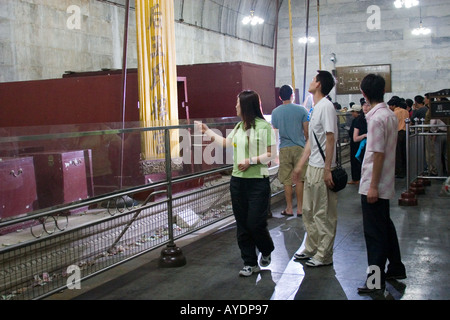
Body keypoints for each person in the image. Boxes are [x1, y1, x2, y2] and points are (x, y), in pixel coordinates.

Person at [196, 90, 276, 277]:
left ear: (246, 106)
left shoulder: (264, 127)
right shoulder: (239, 127)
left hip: (258, 182)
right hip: (238, 182)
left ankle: (266, 248)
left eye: (238, 103)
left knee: (255, 222)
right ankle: (249, 262)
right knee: (242, 224)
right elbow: (225, 143)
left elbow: (271, 154)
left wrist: (251, 161)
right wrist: (207, 131)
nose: (235, 106)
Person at [357, 74, 406, 294]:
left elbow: (377, 154)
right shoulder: (388, 114)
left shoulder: (376, 119)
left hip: (374, 183)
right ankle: (396, 267)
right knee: (385, 226)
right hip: (384, 181)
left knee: (374, 233)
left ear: (364, 94)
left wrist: (372, 186)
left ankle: (375, 281)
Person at [292, 70, 338, 267]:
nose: (311, 82)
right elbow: (313, 140)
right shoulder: (315, 107)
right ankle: (311, 247)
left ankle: (324, 254)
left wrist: (328, 168)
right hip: (313, 166)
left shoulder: (326, 106)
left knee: (323, 212)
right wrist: (300, 165)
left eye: (313, 79)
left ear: (319, 84)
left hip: (322, 168)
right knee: (309, 210)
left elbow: (329, 137)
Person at [271, 85, 309, 217]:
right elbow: (306, 131)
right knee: (299, 179)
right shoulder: (302, 110)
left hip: (284, 148)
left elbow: (275, 133)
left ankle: (288, 208)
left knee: (287, 180)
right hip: (299, 148)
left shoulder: (275, 112)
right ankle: (299, 209)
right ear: (292, 95)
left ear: (280, 96)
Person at [388, 97, 410, 178]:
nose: (389, 108)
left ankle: (399, 172)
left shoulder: (394, 113)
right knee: (405, 153)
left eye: (390, 106)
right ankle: (406, 170)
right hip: (406, 133)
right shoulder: (405, 111)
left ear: (393, 105)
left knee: (398, 154)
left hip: (398, 133)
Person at [348, 104, 366, 184]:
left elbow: (354, 134)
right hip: (362, 142)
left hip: (355, 143)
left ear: (356, 112)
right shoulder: (362, 119)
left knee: (354, 160)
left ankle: (356, 178)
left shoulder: (356, 120)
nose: (352, 114)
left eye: (353, 112)